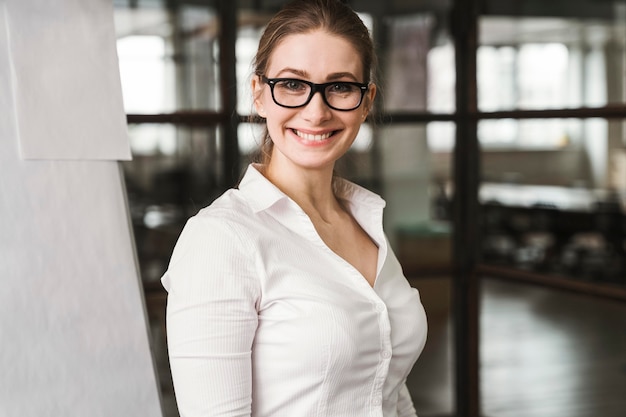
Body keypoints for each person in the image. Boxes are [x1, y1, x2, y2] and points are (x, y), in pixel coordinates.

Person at [161, 0, 428, 416]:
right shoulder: (221, 239)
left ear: (366, 100)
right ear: (259, 95)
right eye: (292, 85)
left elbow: (388, 388)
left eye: (340, 86)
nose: (316, 111)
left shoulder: (365, 221)